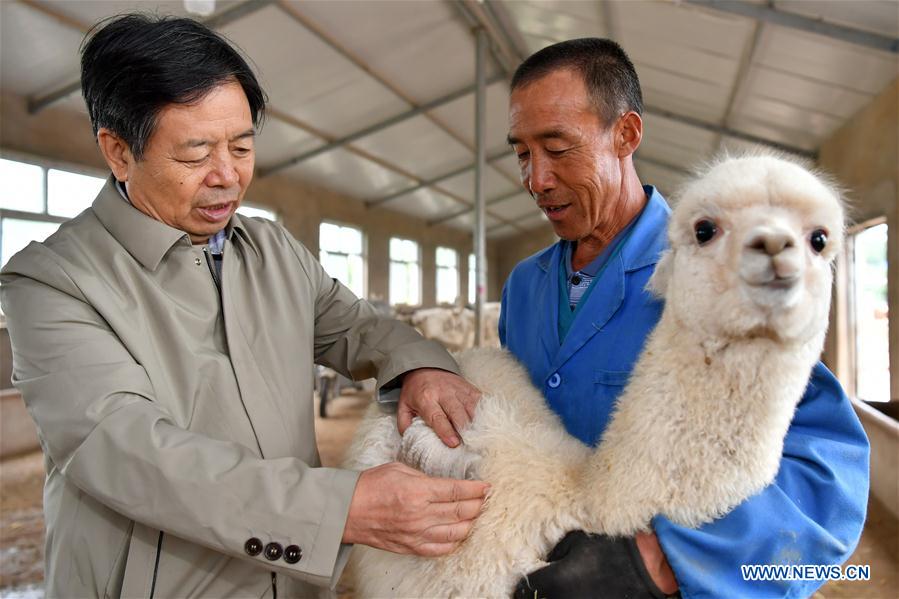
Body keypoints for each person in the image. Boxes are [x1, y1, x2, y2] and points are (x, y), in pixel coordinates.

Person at [0, 14, 488, 598]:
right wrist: (339, 509)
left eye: (241, 145)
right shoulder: (54, 279)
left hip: (294, 581)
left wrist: (418, 364)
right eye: (196, 152)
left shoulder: (274, 249)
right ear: (119, 152)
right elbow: (124, 449)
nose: (228, 175)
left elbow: (357, 326)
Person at [500, 38, 869, 598]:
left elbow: (827, 473)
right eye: (523, 153)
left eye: (558, 148)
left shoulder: (716, 270)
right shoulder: (524, 286)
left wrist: (664, 558)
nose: (537, 179)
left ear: (626, 134)